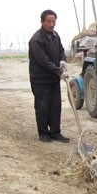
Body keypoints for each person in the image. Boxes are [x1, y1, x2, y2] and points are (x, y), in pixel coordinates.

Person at [28, 10, 70, 143]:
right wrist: (60, 72)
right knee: (42, 106)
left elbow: (61, 51)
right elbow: (44, 61)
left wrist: (62, 60)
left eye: (54, 21)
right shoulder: (36, 40)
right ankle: (43, 133)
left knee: (55, 105)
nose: (52, 24)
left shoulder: (55, 35)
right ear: (42, 22)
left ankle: (55, 132)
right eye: (49, 21)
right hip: (40, 79)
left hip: (53, 78)